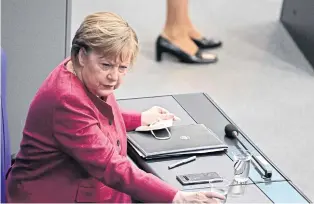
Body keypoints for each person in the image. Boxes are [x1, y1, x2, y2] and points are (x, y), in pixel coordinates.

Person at [5, 12, 225, 203]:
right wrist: (175, 197)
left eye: (123, 68)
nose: (114, 77)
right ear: (82, 55)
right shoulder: (67, 99)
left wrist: (138, 119)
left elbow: (92, 118)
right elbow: (111, 166)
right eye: (107, 66)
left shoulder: (81, 72)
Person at [156, 0, 222, 64]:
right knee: (176, 27)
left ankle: (183, 25)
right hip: (173, 34)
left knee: (182, 20)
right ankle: (174, 33)